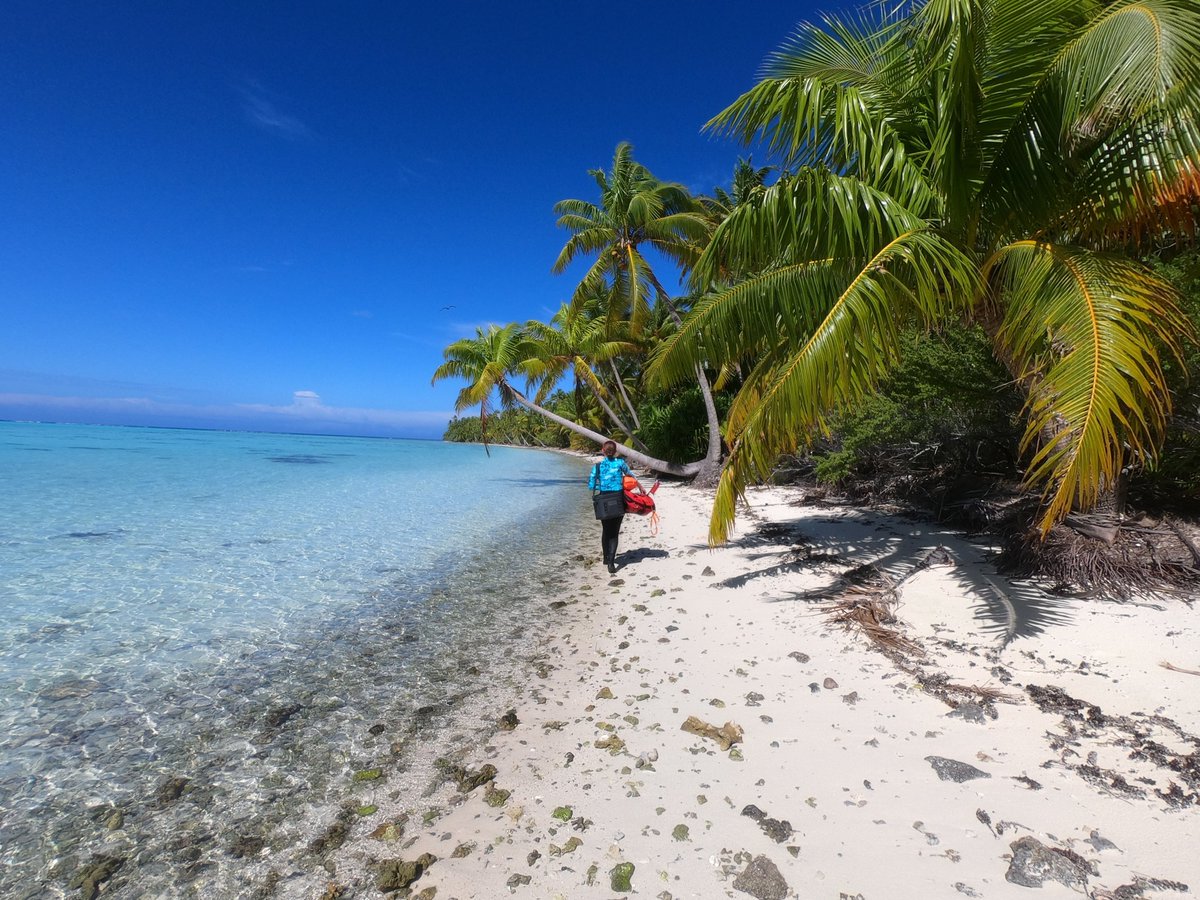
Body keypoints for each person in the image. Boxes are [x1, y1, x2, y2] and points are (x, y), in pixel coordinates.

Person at [588, 440, 633, 573]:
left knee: (606, 530)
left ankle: (605, 558)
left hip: (604, 500)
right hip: (618, 499)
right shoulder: (620, 463)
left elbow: (591, 485)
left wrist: (603, 484)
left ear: (603, 451)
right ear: (615, 452)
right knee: (615, 532)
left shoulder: (598, 466)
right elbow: (630, 475)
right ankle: (611, 564)